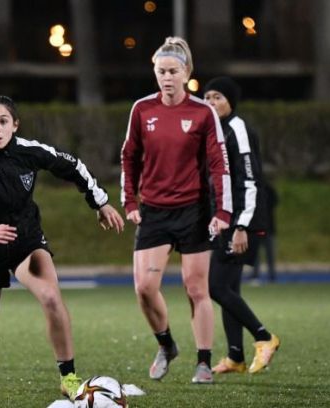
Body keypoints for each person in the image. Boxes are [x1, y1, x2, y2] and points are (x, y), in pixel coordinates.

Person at [0, 95, 124, 407]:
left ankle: (68, 378)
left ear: (15, 125)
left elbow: (72, 166)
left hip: (24, 240)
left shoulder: (29, 152)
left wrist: (99, 201)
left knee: (50, 297)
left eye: (3, 121)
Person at [120, 37, 232, 385]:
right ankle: (166, 344)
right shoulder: (142, 109)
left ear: (186, 73)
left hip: (194, 212)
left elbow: (219, 163)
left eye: (173, 71)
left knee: (196, 289)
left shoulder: (203, 112)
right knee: (144, 288)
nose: (166, 77)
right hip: (154, 212)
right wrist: (130, 200)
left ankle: (203, 361)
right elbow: (128, 157)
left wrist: (223, 211)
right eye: (161, 71)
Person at [203, 76, 280, 375]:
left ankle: (264, 337)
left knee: (217, 287)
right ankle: (235, 357)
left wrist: (241, 226)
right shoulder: (216, 130)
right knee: (229, 288)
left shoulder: (238, 128)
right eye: (207, 97)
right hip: (225, 219)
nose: (211, 103)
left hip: (240, 221)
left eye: (218, 97)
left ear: (231, 102)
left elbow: (250, 180)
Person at [251, 180, 278, 283]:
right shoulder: (253, 190)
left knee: (270, 253)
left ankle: (271, 276)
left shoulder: (268, 190)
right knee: (256, 254)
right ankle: (255, 275)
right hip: (258, 229)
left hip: (268, 229)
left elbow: (275, 202)